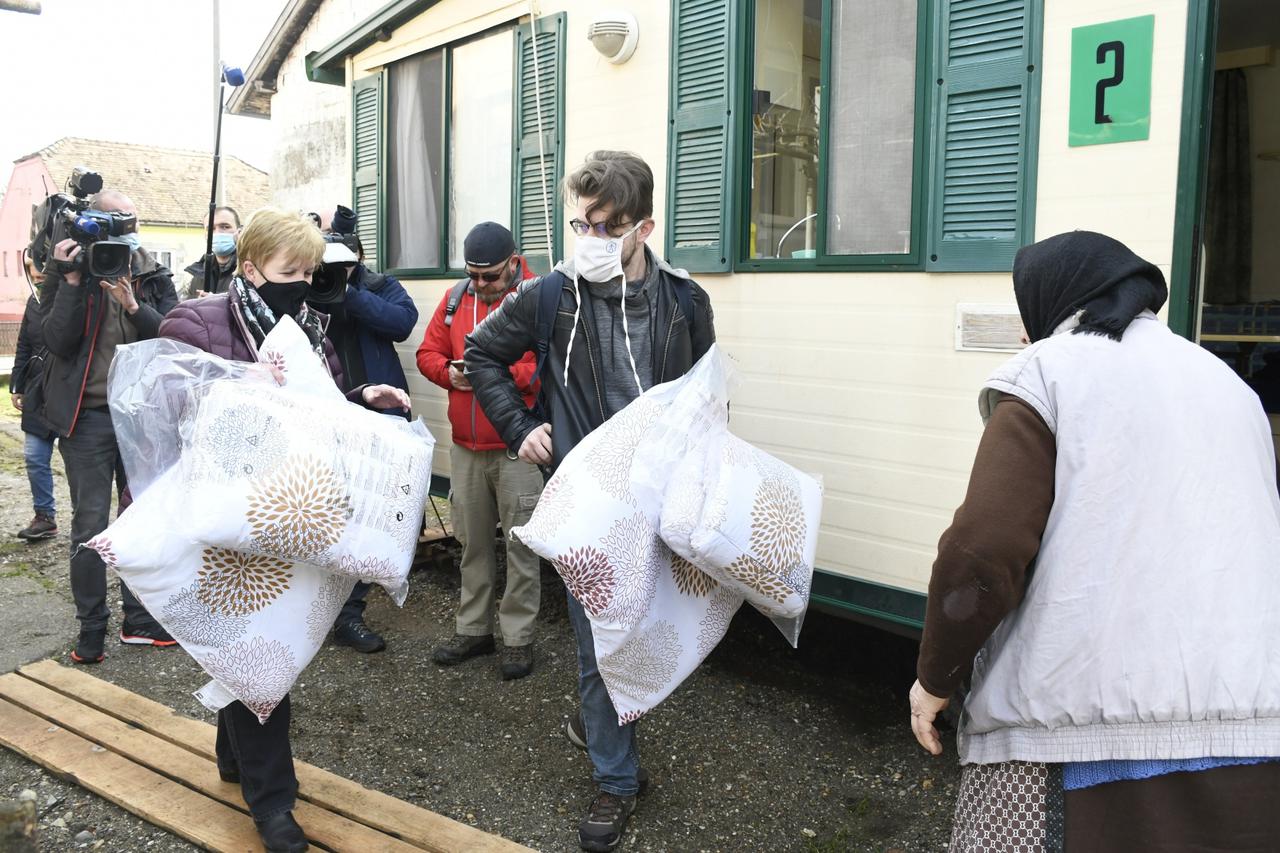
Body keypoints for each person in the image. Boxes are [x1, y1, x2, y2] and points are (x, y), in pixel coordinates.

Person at [908, 231, 1280, 851]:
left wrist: (934, 678)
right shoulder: (1226, 382)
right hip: (1257, 732)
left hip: (1077, 742)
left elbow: (981, 553)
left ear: (1049, 299)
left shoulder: (1049, 372)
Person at [467, 152, 715, 852]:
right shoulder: (552, 295)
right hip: (585, 499)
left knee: (646, 632)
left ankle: (602, 728)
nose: (588, 238)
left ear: (643, 228)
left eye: (604, 227)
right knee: (598, 641)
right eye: (579, 222)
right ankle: (615, 778)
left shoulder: (685, 301)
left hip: (658, 499)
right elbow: (483, 354)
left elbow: (706, 394)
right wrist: (520, 427)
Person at [159, 207, 410, 853]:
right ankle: (274, 804)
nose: (301, 283)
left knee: (259, 650)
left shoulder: (310, 330)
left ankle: (234, 756)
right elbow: (169, 403)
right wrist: (239, 386)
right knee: (258, 655)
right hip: (220, 519)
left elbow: (317, 412)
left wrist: (361, 400)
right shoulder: (197, 320)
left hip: (282, 515)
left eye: (309, 271)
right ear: (250, 268)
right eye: (288, 270)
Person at [39, 189, 180, 663]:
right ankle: (92, 627)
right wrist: (72, 279)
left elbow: (172, 337)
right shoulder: (69, 270)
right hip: (89, 418)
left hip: (142, 416)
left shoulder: (152, 274)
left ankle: (139, 620)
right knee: (90, 524)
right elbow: (57, 340)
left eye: (127, 218)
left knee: (142, 519)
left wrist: (134, 306)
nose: (120, 227)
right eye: (109, 219)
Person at [416, 222, 543, 680]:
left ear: (513, 262)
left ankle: (518, 638)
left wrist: (494, 373)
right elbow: (427, 353)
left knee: (521, 548)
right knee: (471, 546)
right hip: (466, 447)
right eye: (473, 275)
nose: (481, 284)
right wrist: (449, 374)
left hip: (518, 447)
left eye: (490, 276)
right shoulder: (455, 300)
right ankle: (473, 630)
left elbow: (547, 365)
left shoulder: (537, 298)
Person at [310, 204, 420, 653]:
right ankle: (325, 610)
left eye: (345, 260)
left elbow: (402, 323)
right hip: (331, 412)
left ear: (358, 256)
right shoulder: (307, 288)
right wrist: (324, 289)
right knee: (331, 515)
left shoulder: (378, 285)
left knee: (370, 514)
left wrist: (350, 290)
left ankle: (350, 613)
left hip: (380, 414)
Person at [11, 256, 58, 542]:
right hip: (36, 387)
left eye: (40, 266)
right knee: (34, 456)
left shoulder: (71, 296)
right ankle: (45, 516)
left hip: (68, 389)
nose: (37, 273)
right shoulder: (33, 301)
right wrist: (17, 384)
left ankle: (89, 522)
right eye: (32, 268)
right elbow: (24, 346)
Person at [184, 205, 240, 298]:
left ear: (239, 232)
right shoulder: (198, 275)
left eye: (225, 227)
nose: (217, 233)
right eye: (211, 229)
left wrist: (216, 301)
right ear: (205, 235)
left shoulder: (250, 271)